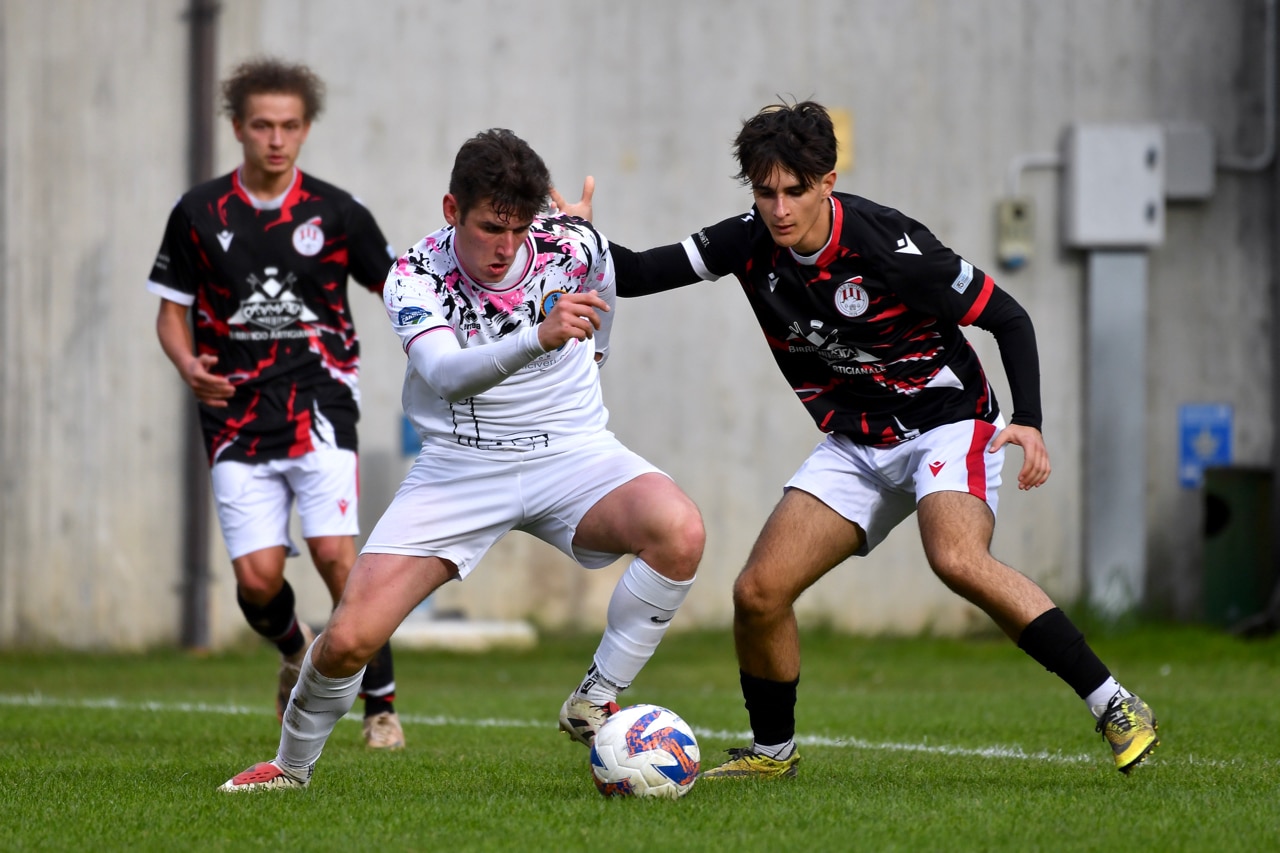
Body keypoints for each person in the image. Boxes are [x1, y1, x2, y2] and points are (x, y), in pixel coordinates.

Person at [564, 100, 1159, 777]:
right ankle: (772, 754)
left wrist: (1031, 419)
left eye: (794, 191)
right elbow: (640, 273)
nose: (779, 209)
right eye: (765, 192)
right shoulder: (748, 239)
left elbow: (1009, 316)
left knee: (955, 557)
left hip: (948, 421)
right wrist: (577, 240)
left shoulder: (890, 247)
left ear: (828, 182)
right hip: (859, 439)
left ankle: (1115, 703)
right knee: (758, 592)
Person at [216, 128, 706, 792]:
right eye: (489, 228)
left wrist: (596, 351)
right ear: (452, 210)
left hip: (572, 451)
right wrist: (539, 337)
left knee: (680, 531)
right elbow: (445, 374)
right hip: (461, 466)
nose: (506, 247)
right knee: (350, 639)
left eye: (519, 229)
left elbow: (602, 283)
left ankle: (595, 697)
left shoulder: (572, 243)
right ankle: (290, 766)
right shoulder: (414, 274)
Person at [147, 57, 403, 750]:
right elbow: (170, 314)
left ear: (306, 127)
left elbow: (399, 291)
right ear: (237, 127)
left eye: (289, 125)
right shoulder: (198, 212)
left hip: (320, 405)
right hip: (233, 414)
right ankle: (296, 649)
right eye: (262, 125)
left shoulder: (338, 212)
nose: (276, 139)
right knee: (258, 582)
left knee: (337, 558)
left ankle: (381, 707)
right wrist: (186, 364)